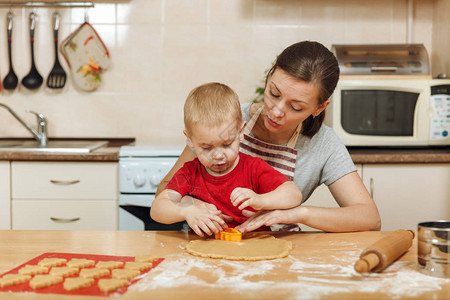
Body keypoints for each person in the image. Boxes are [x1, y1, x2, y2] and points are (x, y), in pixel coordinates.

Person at [156, 41, 381, 233]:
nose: (275, 111)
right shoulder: (226, 122)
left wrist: (298, 213)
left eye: (295, 107)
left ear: (319, 108)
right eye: (274, 94)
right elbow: (164, 192)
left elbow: (370, 219)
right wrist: (192, 206)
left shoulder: (324, 144)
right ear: (270, 74)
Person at [150, 82, 302, 237]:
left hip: (254, 248)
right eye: (206, 147)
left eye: (227, 144)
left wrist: (262, 200)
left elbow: (293, 194)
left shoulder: (253, 168)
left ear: (240, 132)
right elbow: (157, 208)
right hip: (205, 252)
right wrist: (187, 211)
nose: (218, 155)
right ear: (190, 140)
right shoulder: (190, 173)